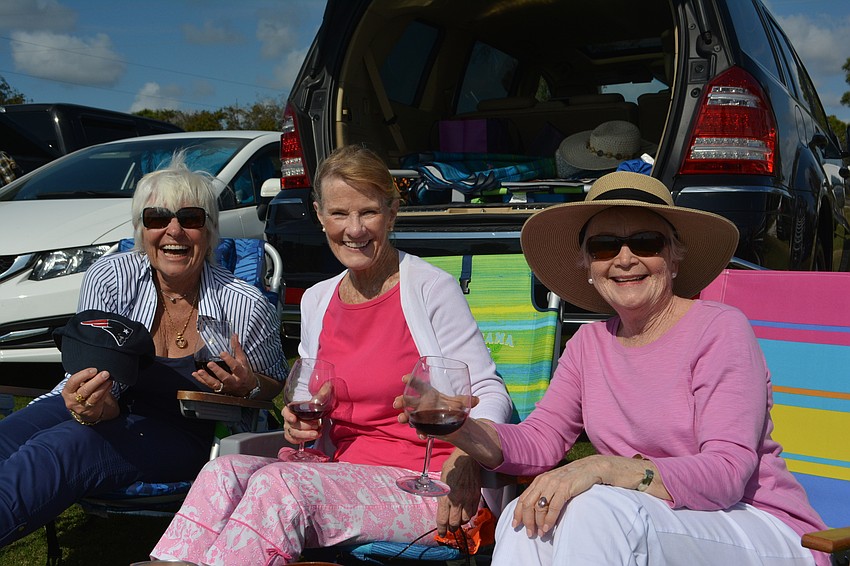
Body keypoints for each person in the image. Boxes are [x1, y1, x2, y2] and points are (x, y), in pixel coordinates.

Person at [429, 171, 829, 565]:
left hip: (756, 525)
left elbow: (726, 476)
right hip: (648, 518)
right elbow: (540, 441)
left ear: (673, 258)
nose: (624, 259)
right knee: (527, 520)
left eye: (645, 242)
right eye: (604, 246)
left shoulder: (719, 329)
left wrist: (603, 468)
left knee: (593, 510)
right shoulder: (589, 344)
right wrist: (463, 428)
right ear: (588, 265)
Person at [151, 145, 512, 564]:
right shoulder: (318, 300)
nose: (354, 229)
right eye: (340, 214)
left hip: (429, 486)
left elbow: (488, 390)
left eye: (368, 212)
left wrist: (466, 457)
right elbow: (308, 393)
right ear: (320, 215)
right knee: (222, 472)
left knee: (281, 487)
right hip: (335, 474)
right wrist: (295, 420)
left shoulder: (430, 289)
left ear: (392, 212)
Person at [0, 154, 287, 548]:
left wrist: (250, 383)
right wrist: (89, 398)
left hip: (187, 427)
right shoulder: (111, 277)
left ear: (210, 229)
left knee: (63, 448)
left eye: (190, 218)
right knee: (8, 436)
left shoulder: (245, 304)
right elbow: (88, 362)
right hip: (104, 397)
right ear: (141, 228)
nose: (174, 231)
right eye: (157, 219)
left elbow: (275, 385)